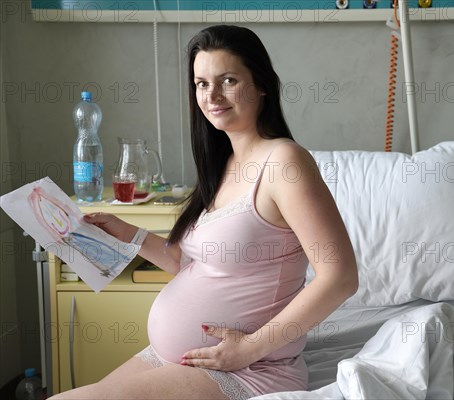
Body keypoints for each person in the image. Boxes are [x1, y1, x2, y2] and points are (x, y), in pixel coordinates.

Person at [49, 25, 358, 400]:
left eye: (228, 80)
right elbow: (190, 262)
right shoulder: (223, 164)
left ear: (261, 85)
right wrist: (125, 231)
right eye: (201, 83)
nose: (212, 95)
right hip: (182, 359)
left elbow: (339, 277)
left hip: (249, 369)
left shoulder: (284, 163)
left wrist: (250, 348)